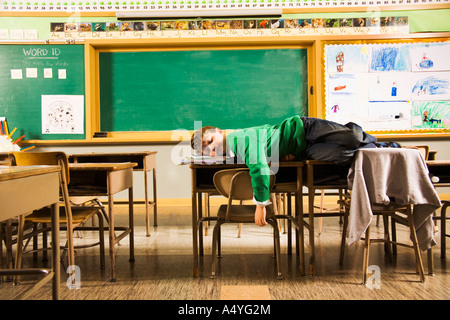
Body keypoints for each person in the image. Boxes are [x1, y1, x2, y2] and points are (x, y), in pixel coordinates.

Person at [191, 115, 377, 226]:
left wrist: (261, 205)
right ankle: (379, 149)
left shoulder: (237, 139)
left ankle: (379, 143)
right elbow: (264, 152)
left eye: (209, 140)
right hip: (303, 151)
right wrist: (280, 156)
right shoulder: (231, 155)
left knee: (352, 137)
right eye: (205, 149)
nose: (209, 147)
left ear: (219, 131)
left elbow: (259, 166)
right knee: (342, 155)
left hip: (303, 129)